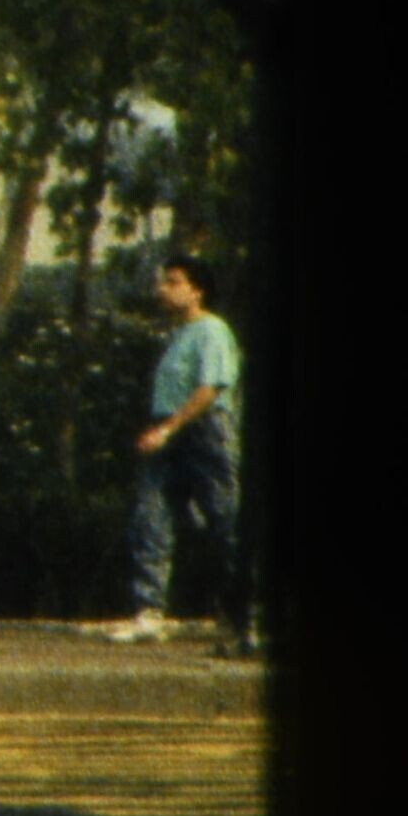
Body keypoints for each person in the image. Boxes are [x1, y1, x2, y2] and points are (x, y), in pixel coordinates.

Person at [95, 253, 244, 650]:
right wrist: (162, 429)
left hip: (204, 432)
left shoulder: (212, 330)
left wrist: (169, 428)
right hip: (169, 432)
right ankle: (149, 612)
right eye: (163, 281)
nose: (163, 289)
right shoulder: (178, 335)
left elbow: (210, 389)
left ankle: (245, 616)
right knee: (151, 517)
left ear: (197, 290)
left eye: (174, 282)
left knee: (224, 520)